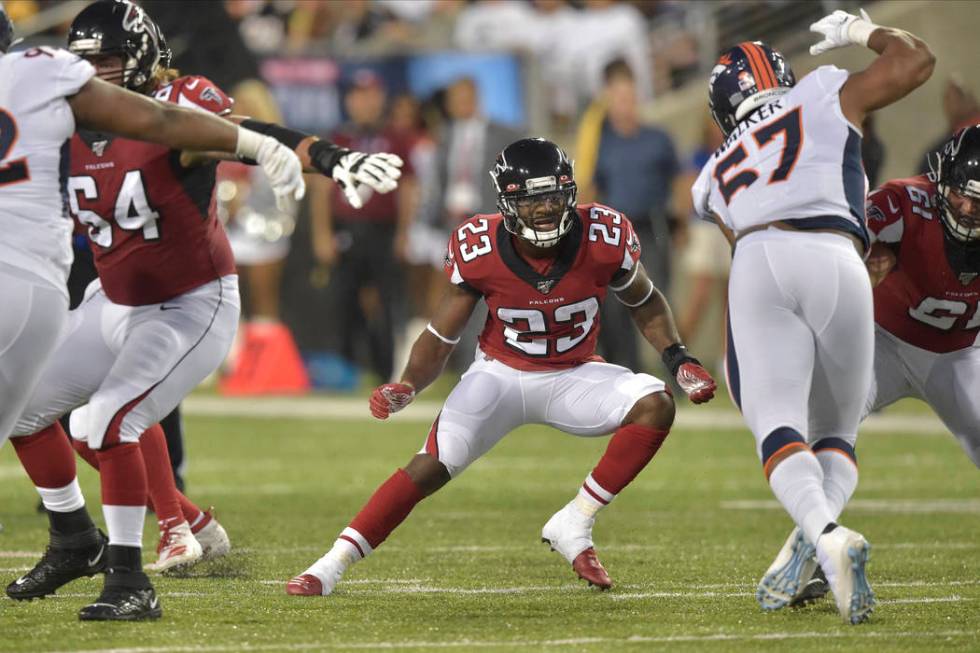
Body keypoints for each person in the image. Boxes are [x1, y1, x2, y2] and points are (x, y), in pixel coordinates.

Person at [2, 0, 401, 622]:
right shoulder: (55, 115)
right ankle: (77, 537)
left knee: (107, 420)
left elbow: (240, 134)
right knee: (25, 410)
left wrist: (329, 157)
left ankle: (132, 579)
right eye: (83, 64)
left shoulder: (177, 104)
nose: (92, 75)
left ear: (137, 59)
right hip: (114, 298)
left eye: (106, 61)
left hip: (190, 303)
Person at [286, 137, 717, 597]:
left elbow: (645, 300)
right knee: (428, 466)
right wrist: (409, 384)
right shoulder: (478, 246)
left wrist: (678, 358)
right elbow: (441, 334)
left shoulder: (604, 234)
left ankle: (575, 521)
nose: (546, 209)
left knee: (654, 404)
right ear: (508, 203)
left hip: (575, 374)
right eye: (532, 199)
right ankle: (331, 563)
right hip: (500, 375)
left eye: (553, 195)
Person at [691, 11, 934, 624]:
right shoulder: (821, 91)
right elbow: (916, 61)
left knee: (775, 421)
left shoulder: (711, 173)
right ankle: (822, 537)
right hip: (839, 259)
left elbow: (743, 238)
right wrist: (860, 32)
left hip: (761, 258)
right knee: (839, 426)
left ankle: (825, 535)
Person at [774, 125, 980, 608]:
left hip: (960, 353)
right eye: (959, 194)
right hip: (880, 342)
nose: (967, 209)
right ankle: (816, 546)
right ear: (941, 180)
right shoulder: (906, 203)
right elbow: (836, 237)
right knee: (829, 428)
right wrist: (857, 259)